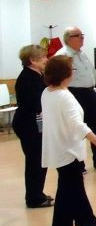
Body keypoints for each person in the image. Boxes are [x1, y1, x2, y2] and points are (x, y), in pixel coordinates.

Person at [41, 55, 96, 226]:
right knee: (67, 189)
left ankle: (86, 218)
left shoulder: (48, 92)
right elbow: (77, 124)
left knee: (75, 185)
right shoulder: (64, 96)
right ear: (66, 73)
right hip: (67, 148)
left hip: (59, 145)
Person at [54, 26, 96, 168]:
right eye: (78, 35)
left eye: (82, 35)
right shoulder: (63, 55)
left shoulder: (81, 54)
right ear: (69, 39)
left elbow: (91, 71)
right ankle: (77, 163)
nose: (82, 37)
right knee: (77, 128)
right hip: (74, 93)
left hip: (89, 93)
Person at [12, 45, 53, 208]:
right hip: (28, 125)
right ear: (32, 60)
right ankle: (34, 198)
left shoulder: (36, 76)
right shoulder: (28, 78)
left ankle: (38, 193)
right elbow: (36, 103)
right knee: (35, 162)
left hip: (34, 124)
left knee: (39, 161)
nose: (46, 60)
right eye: (43, 57)